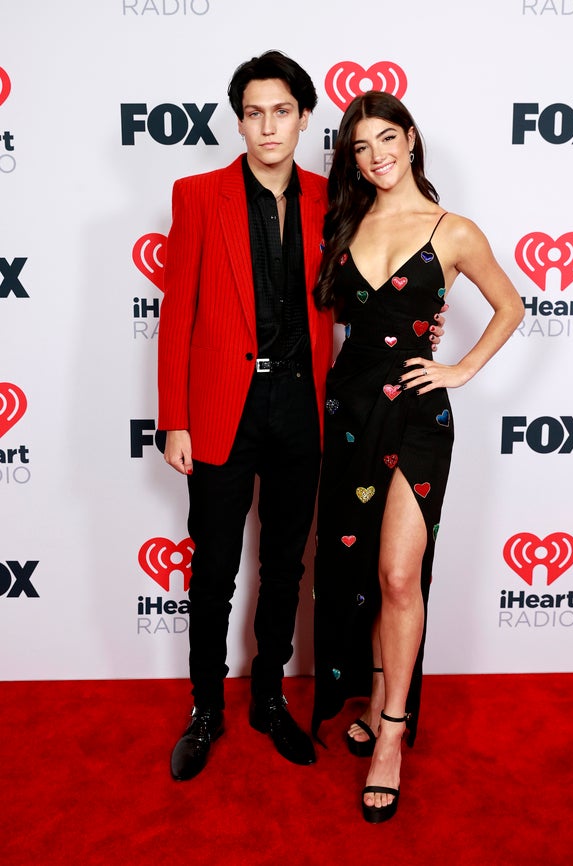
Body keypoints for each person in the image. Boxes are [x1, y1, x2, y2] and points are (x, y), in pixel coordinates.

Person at [311, 91, 524, 822]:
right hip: (347, 414)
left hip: (418, 416)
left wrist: (459, 370)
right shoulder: (343, 224)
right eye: (361, 147)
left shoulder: (453, 229)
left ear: (411, 139)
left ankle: (391, 736)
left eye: (386, 139)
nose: (376, 156)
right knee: (362, 570)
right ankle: (374, 700)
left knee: (401, 573)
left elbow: (511, 305)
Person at [157, 51, 334, 780]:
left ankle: (267, 697)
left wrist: (427, 318)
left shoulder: (334, 198)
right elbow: (177, 316)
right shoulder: (199, 195)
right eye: (254, 112)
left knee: (286, 564)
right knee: (216, 567)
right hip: (223, 407)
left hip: (301, 401)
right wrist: (176, 418)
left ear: (302, 116)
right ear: (239, 119)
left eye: (282, 110)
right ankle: (206, 708)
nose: (268, 125)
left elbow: (368, 286)